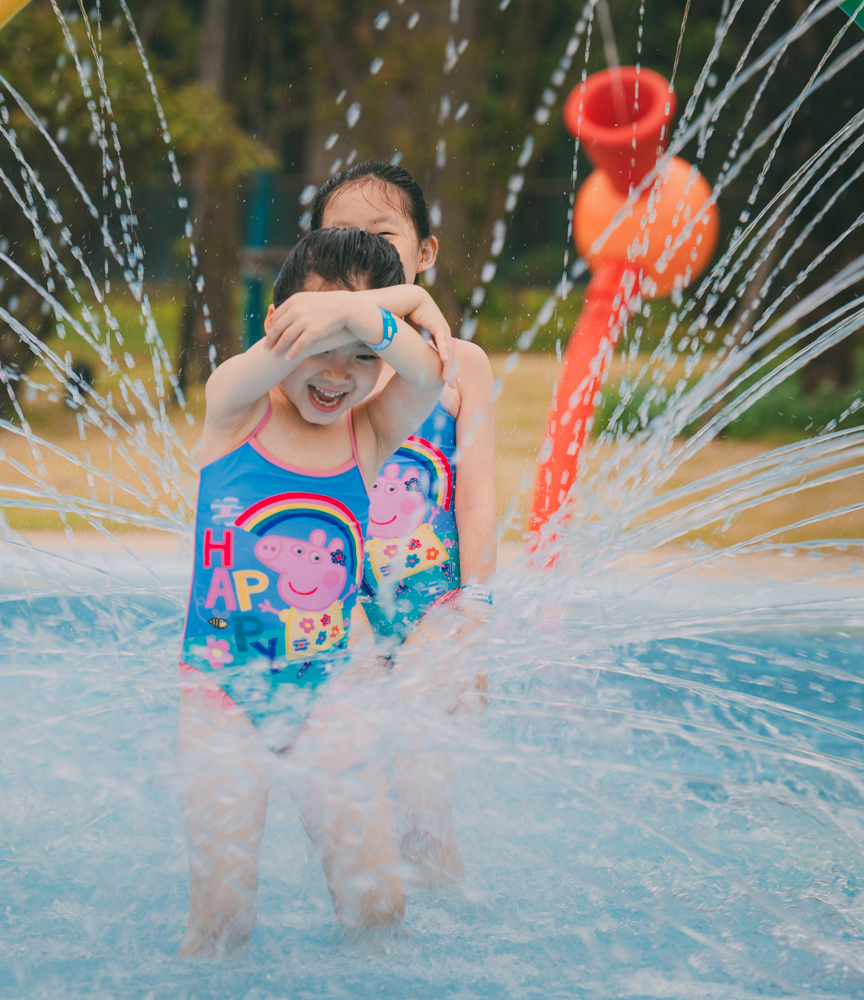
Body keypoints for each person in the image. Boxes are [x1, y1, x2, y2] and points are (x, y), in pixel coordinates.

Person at [177, 226, 452, 957]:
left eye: (362, 355)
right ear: (278, 328)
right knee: (225, 916)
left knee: (378, 903)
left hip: (325, 689)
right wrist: (401, 301)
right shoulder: (236, 408)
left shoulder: (369, 435)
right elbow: (257, 366)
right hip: (220, 693)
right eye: (318, 342)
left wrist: (373, 316)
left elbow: (425, 375)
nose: (338, 372)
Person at [310, 160, 498, 886]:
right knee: (357, 793)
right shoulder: (327, 370)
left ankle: (446, 933)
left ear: (426, 253)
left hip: (434, 608)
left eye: (381, 237)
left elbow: (477, 495)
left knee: (422, 799)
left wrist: (477, 610)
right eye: (341, 238)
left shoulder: (463, 367)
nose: (363, 252)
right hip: (340, 607)